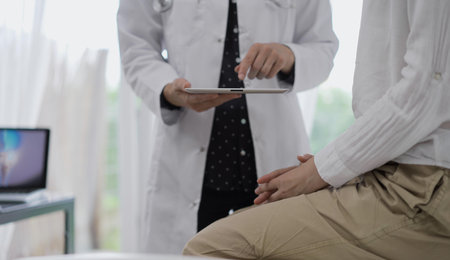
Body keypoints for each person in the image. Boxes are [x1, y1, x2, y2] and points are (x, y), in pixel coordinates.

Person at [183, 0, 450, 259]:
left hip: (422, 184)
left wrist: (321, 170)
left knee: (212, 248)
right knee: (236, 232)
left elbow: (428, 89)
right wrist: (342, 169)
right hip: (389, 168)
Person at [117, 0, 338, 254]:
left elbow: (323, 47)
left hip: (272, 168)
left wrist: (289, 55)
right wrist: (166, 88)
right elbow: (136, 45)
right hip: (189, 162)